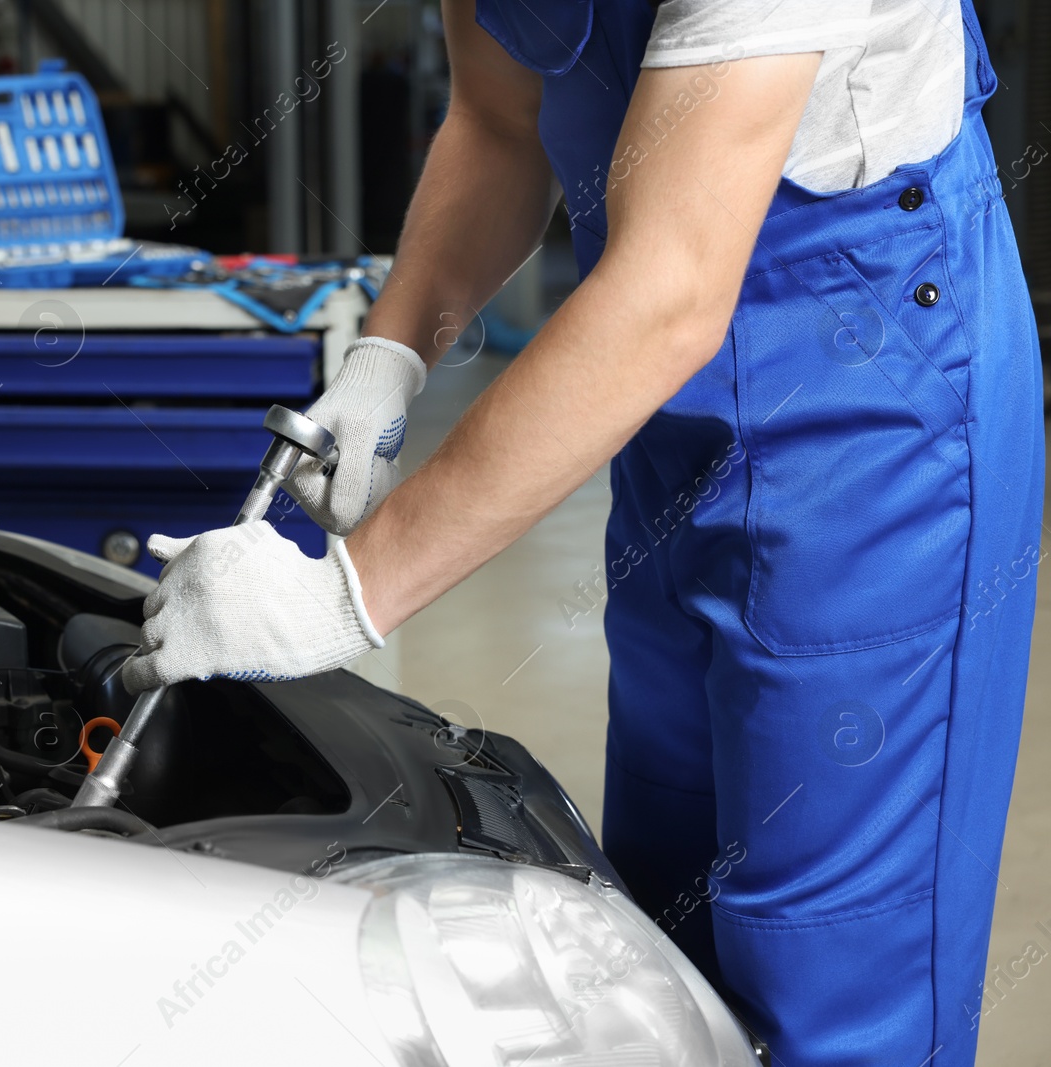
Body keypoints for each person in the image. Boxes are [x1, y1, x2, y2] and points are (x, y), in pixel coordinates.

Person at [123, 1, 1043, 1063]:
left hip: (874, 403)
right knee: (659, 945)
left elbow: (672, 289)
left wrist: (346, 592)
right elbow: (498, 118)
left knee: (829, 972)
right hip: (663, 411)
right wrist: (393, 351)